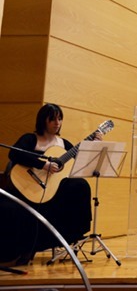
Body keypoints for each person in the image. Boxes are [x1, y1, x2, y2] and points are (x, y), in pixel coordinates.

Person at [3, 103, 101, 264]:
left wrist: (92, 146)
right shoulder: (30, 139)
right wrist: (43, 165)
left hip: (52, 195)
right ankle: (22, 250)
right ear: (43, 120)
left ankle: (71, 235)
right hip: (27, 189)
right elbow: (14, 154)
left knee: (80, 186)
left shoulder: (64, 145)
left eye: (60, 119)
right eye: (53, 119)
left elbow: (80, 165)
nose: (57, 123)